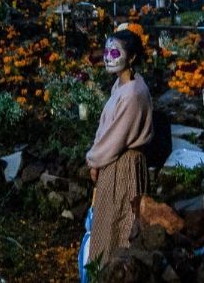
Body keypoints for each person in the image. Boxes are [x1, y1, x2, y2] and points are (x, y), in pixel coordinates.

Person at [86, 26, 154, 266]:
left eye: (115, 54)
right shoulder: (121, 86)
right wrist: (96, 160)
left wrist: (94, 160)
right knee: (108, 223)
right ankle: (103, 272)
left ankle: (115, 273)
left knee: (121, 224)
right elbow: (105, 128)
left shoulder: (133, 94)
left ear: (132, 57)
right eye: (106, 52)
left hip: (123, 165)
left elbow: (116, 137)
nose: (107, 58)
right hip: (113, 163)